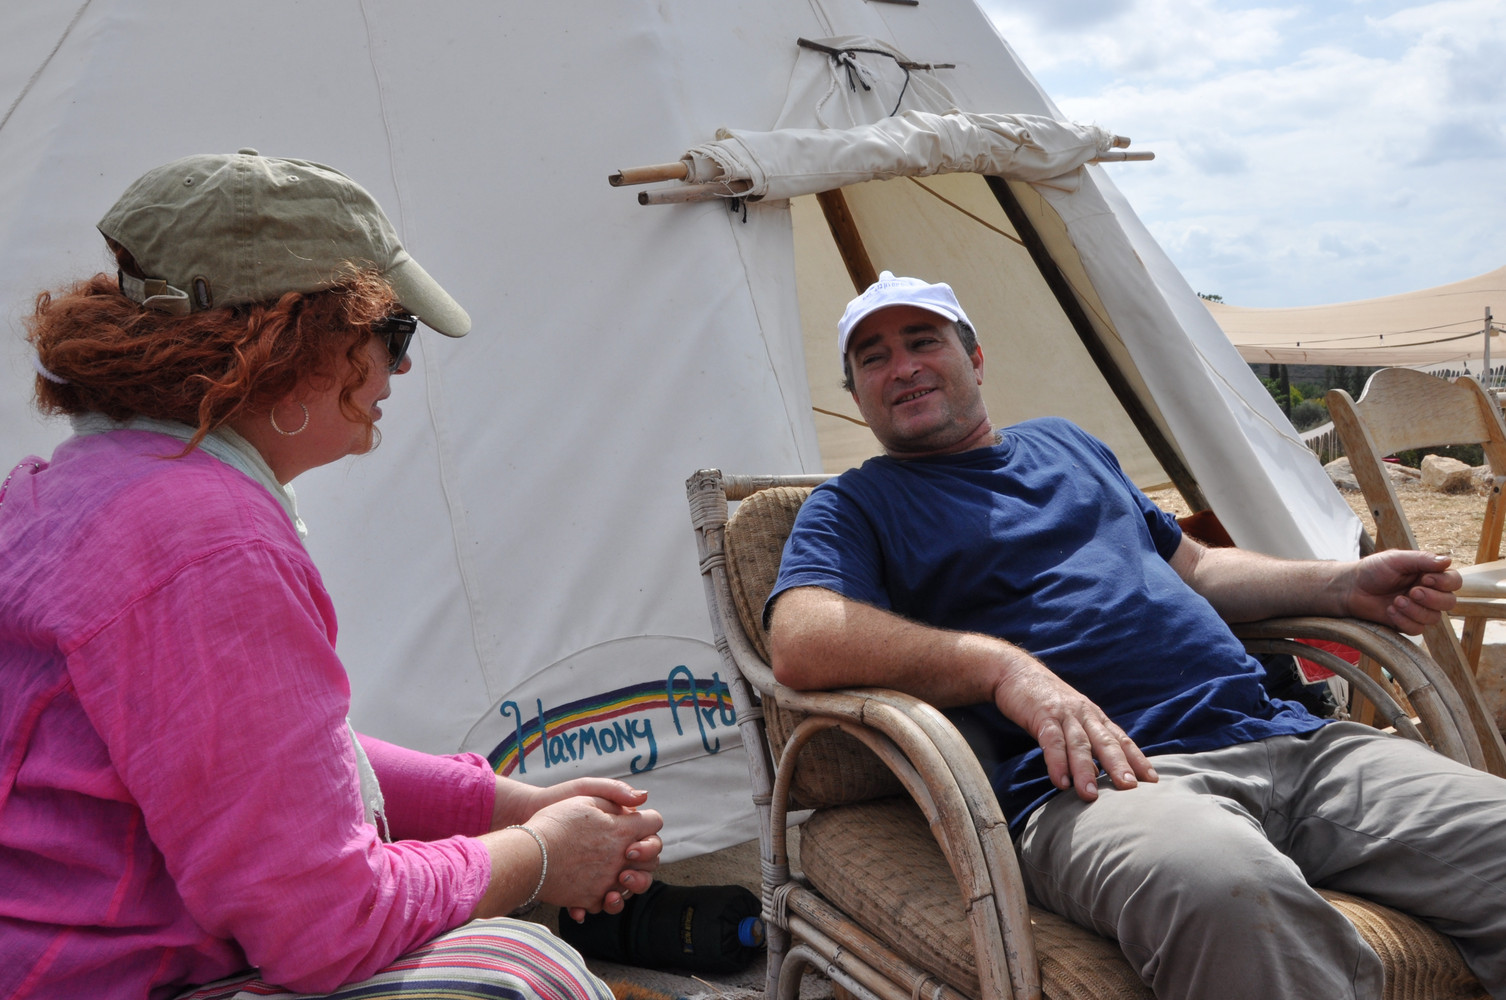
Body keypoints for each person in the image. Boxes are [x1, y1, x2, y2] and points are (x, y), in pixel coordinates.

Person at [0, 149, 663, 1000]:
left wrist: (508, 807)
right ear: (288, 344)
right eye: (391, 335)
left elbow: (273, 761)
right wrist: (540, 857)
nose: (400, 367)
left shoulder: (77, 489)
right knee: (521, 974)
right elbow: (326, 926)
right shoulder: (208, 544)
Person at [766, 271, 1506, 999]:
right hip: (1106, 784)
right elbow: (800, 636)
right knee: (1227, 891)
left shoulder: (1068, 445)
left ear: (976, 359)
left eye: (923, 342)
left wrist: (1341, 584)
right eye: (874, 358)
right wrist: (1001, 669)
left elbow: (1198, 567)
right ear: (858, 398)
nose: (902, 367)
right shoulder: (854, 504)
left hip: (1286, 738)